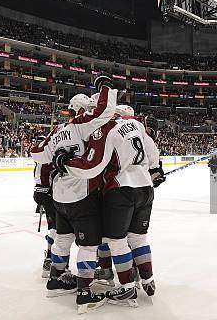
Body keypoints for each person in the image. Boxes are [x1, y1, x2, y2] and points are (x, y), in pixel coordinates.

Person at [53, 108, 160, 308]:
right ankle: (147, 278)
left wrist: (67, 161)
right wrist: (155, 171)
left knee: (117, 241)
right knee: (138, 238)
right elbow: (153, 154)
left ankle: (127, 286)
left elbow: (95, 164)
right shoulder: (137, 125)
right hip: (145, 187)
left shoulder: (106, 128)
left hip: (120, 189)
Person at [30, 75, 117, 314]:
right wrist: (104, 85)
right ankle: (84, 293)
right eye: (86, 109)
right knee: (88, 246)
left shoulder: (57, 132)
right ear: (80, 111)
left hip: (60, 198)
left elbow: (36, 153)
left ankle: (56, 280)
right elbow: (105, 110)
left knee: (62, 240)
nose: (89, 111)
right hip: (82, 195)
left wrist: (57, 156)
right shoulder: (81, 124)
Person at [32, 134, 58, 278]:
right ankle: (50, 259)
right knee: (58, 229)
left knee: (54, 227)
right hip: (48, 194)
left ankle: (49, 258)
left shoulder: (39, 153)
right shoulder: (49, 154)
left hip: (41, 193)